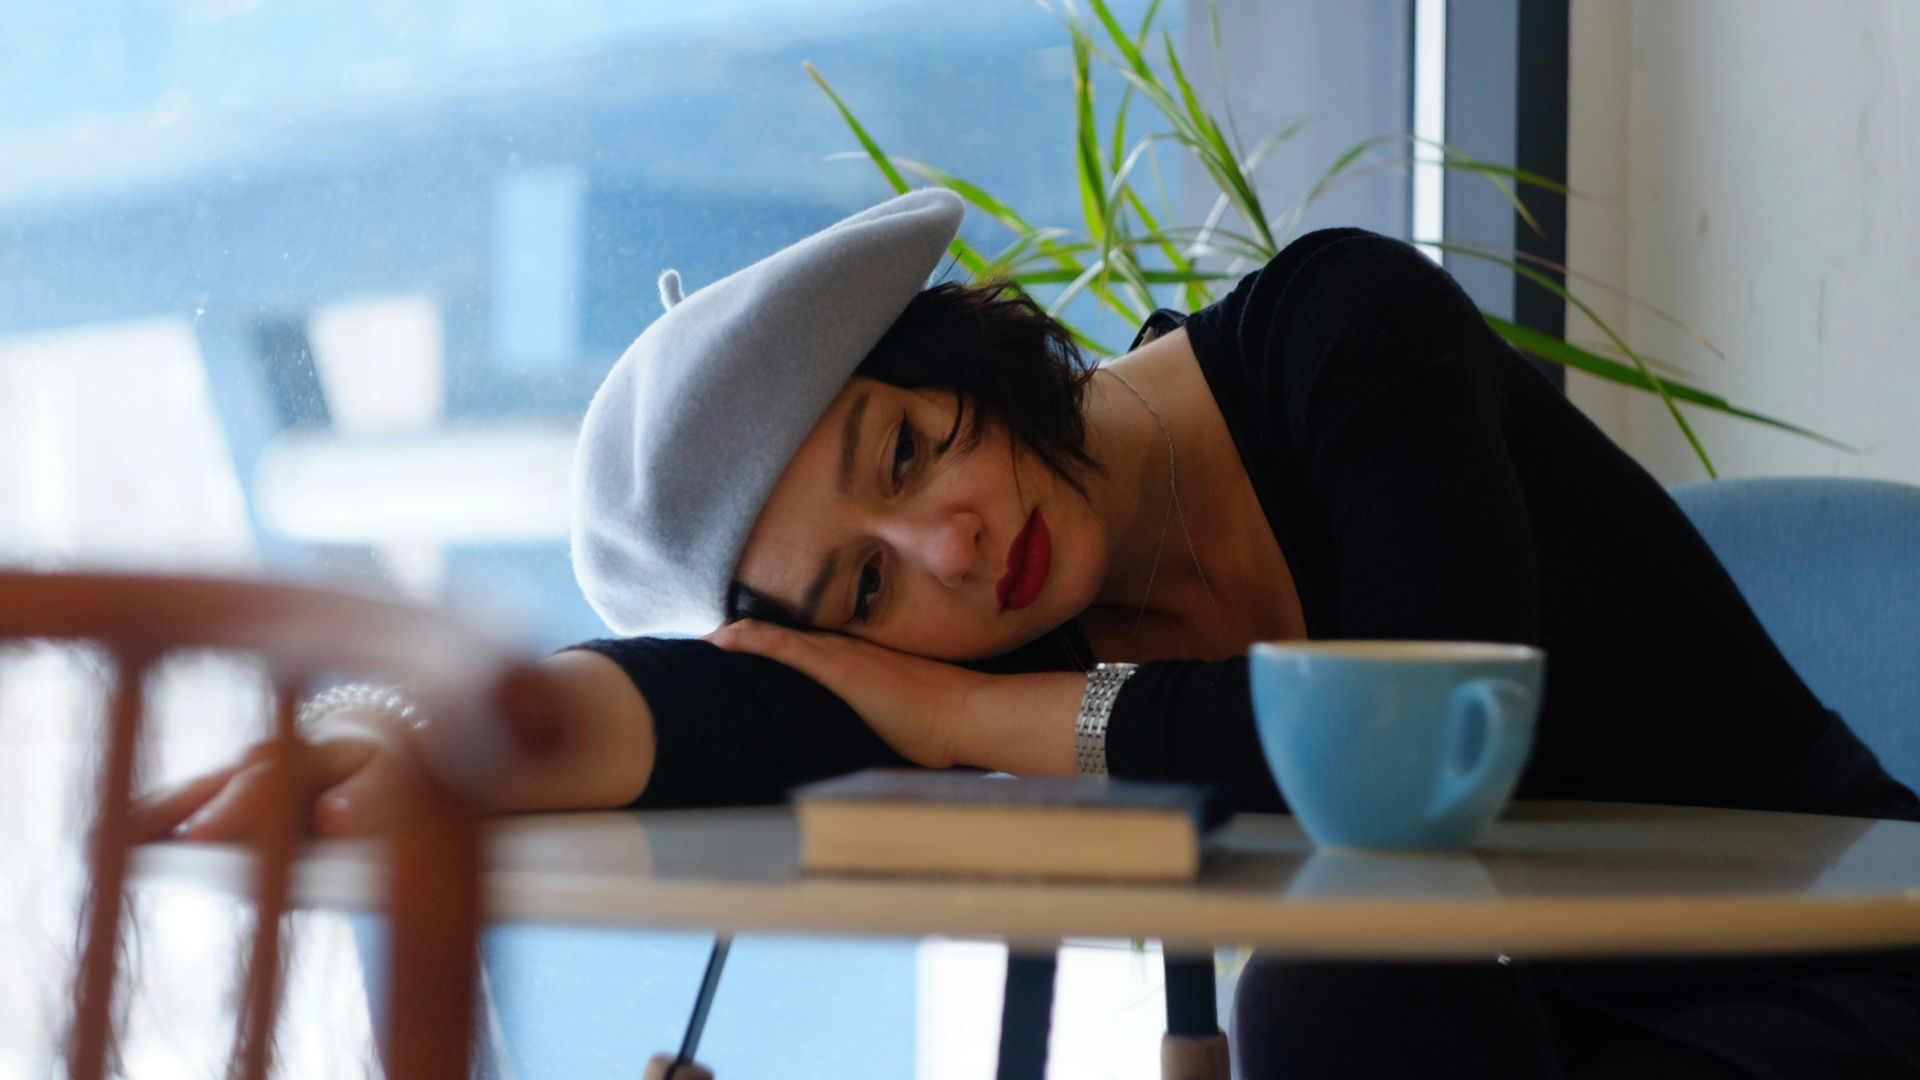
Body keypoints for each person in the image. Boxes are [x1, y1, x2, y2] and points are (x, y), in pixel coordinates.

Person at [134, 190, 1920, 1077]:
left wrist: (954, 721)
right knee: (1345, 994)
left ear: (963, 345)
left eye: (905, 447)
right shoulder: (980, 633)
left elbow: (1413, 742)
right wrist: (407, 730)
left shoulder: (1344, 331)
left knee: (1333, 989)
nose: (950, 542)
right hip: (1543, 1036)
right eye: (860, 587)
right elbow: (710, 705)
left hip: (1837, 969)